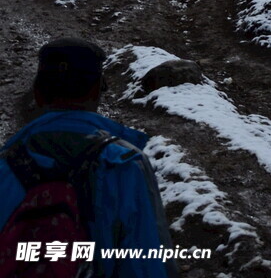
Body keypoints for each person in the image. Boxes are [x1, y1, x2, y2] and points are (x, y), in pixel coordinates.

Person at [0, 37, 179, 276]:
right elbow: (145, 261)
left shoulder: (5, 164)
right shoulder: (124, 163)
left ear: (38, 93)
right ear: (96, 91)